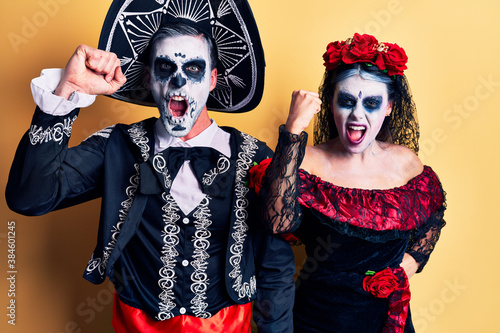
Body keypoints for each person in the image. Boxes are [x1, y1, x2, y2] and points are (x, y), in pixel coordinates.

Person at [5, 0, 294, 332]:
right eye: (165, 68)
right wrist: (69, 90)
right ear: (149, 77)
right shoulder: (117, 145)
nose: (178, 82)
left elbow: (275, 265)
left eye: (194, 69)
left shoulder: (255, 155)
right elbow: (29, 197)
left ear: (213, 79)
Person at [249, 33, 446, 332]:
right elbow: (277, 223)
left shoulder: (406, 163)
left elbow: (432, 214)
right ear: (330, 104)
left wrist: (412, 260)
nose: (357, 115)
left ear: (390, 106)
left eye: (371, 103)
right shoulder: (305, 160)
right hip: (317, 320)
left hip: (389, 320)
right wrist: (292, 131)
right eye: (346, 101)